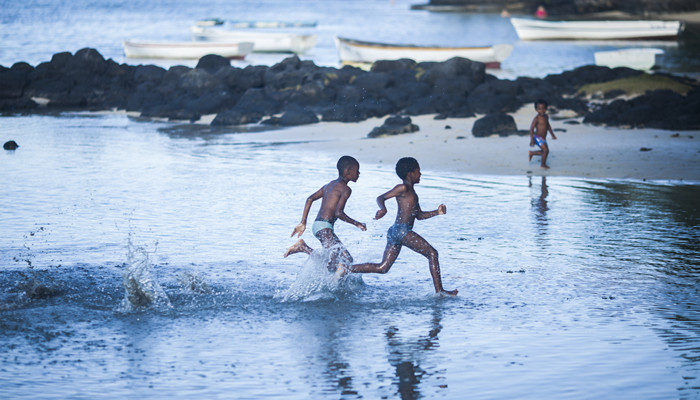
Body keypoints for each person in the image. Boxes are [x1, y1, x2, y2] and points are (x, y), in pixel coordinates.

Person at [349, 157, 458, 296]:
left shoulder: (412, 193)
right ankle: (440, 291)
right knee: (432, 253)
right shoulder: (403, 188)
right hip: (402, 231)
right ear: (410, 173)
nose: (420, 174)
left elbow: (419, 215)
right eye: (418, 171)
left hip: (396, 232)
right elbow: (380, 198)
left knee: (383, 267)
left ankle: (346, 268)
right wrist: (383, 209)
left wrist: (437, 212)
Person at [284, 155, 367, 273]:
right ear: (348, 171)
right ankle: (303, 248)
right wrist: (357, 224)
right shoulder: (346, 189)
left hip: (319, 226)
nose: (359, 173)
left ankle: (303, 247)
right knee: (347, 259)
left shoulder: (329, 185)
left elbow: (310, 199)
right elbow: (339, 213)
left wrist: (303, 222)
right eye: (357, 170)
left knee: (332, 263)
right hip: (324, 228)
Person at [528, 99, 557, 169]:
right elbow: (531, 129)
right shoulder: (536, 118)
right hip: (537, 137)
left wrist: (552, 134)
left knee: (545, 151)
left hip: (543, 138)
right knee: (545, 150)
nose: (541, 110)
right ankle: (543, 164)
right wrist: (532, 140)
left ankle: (532, 153)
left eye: (543, 109)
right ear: (536, 110)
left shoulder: (546, 117)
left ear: (546, 109)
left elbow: (548, 126)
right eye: (539, 109)